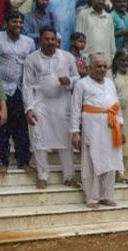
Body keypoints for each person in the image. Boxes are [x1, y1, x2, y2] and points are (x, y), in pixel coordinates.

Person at [23, 26, 79, 190]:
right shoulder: (31, 59)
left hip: (63, 104)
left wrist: (69, 80)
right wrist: (29, 108)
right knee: (39, 140)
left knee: (65, 141)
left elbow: (77, 78)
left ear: (57, 40)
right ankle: (42, 176)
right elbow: (27, 86)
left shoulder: (67, 57)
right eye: (47, 39)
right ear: (40, 40)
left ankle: (69, 176)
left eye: (53, 39)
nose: (50, 42)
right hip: (40, 105)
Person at [71, 53, 125, 209]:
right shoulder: (82, 84)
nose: (102, 69)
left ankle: (107, 195)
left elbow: (116, 106)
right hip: (92, 127)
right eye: (98, 66)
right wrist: (75, 131)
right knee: (91, 161)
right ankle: (92, 197)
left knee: (111, 161)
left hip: (111, 126)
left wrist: (120, 128)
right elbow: (75, 109)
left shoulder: (110, 83)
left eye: (104, 66)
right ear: (90, 68)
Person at [0, 12, 35, 175]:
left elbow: (32, 65)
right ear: (6, 23)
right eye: (14, 21)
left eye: (20, 22)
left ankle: (23, 161)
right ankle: (1, 162)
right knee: (1, 127)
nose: (18, 25)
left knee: (21, 128)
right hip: (1, 89)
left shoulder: (29, 42)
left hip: (20, 88)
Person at [111, 48, 128, 184]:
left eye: (127, 60)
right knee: (117, 142)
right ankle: (117, 173)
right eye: (122, 60)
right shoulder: (111, 76)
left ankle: (124, 172)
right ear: (116, 61)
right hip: (116, 114)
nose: (125, 63)